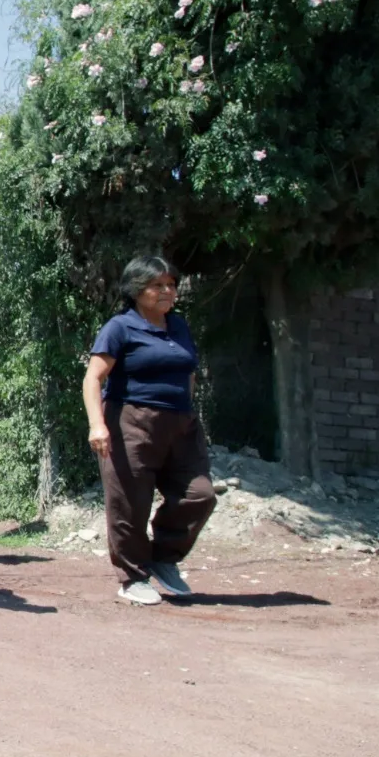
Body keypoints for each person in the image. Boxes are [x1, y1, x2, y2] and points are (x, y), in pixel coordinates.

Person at [83, 256, 216, 605]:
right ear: (136, 289)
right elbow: (93, 378)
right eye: (157, 285)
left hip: (180, 424)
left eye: (170, 284)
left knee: (199, 494)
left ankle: (163, 558)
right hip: (131, 422)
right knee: (130, 504)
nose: (167, 291)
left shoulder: (179, 326)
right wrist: (97, 425)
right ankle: (132, 577)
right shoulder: (120, 327)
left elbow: (188, 371)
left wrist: (186, 413)